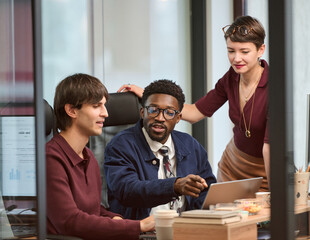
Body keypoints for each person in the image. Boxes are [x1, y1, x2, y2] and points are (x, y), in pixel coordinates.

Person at [118, 16, 270, 191]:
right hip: (233, 166)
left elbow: (269, 149)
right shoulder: (231, 77)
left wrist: (277, 194)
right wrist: (148, 95)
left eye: (244, 52)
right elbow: (195, 113)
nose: (236, 58)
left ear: (260, 50)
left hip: (265, 169)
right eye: (231, 51)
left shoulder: (274, 89)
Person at [46, 73, 155, 240]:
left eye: (104, 105)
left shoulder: (88, 155)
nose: (105, 114)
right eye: (97, 106)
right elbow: (69, 221)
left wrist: (114, 219)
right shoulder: (51, 158)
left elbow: (94, 211)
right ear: (71, 110)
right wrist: (138, 226)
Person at [104, 79, 216, 220]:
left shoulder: (190, 145)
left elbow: (207, 190)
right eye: (153, 110)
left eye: (169, 112)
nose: (160, 118)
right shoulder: (121, 145)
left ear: (178, 118)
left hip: (186, 229)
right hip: (143, 232)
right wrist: (174, 186)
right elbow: (127, 190)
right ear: (142, 112)